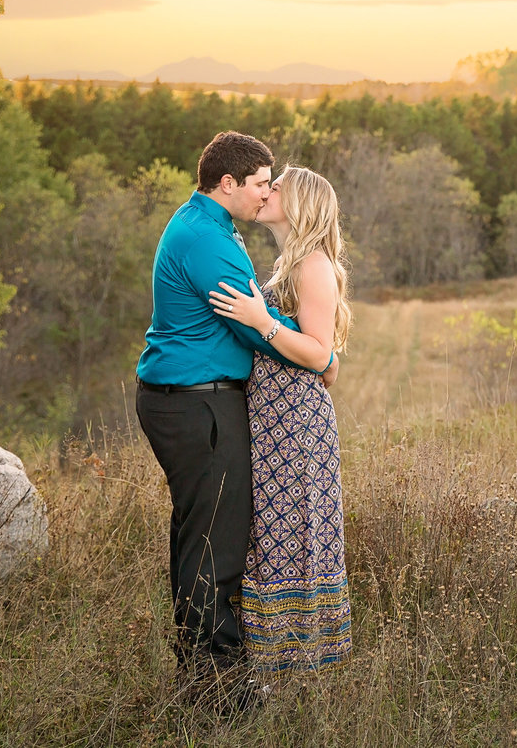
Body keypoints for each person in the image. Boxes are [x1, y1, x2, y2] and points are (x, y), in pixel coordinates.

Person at [135, 131, 331, 711]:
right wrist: (322, 355)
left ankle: (202, 671)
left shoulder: (209, 227)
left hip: (197, 399)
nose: (265, 194)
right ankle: (218, 690)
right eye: (259, 185)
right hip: (197, 403)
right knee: (215, 545)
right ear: (228, 185)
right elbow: (253, 324)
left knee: (202, 535)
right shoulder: (206, 239)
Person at [208, 165, 352, 670]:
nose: (266, 193)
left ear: (302, 203)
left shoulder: (311, 264)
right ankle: (278, 662)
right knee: (272, 532)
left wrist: (262, 321)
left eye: (277, 187)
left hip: (295, 423)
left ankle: (297, 664)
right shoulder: (288, 262)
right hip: (273, 418)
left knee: (291, 531)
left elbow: (318, 354)